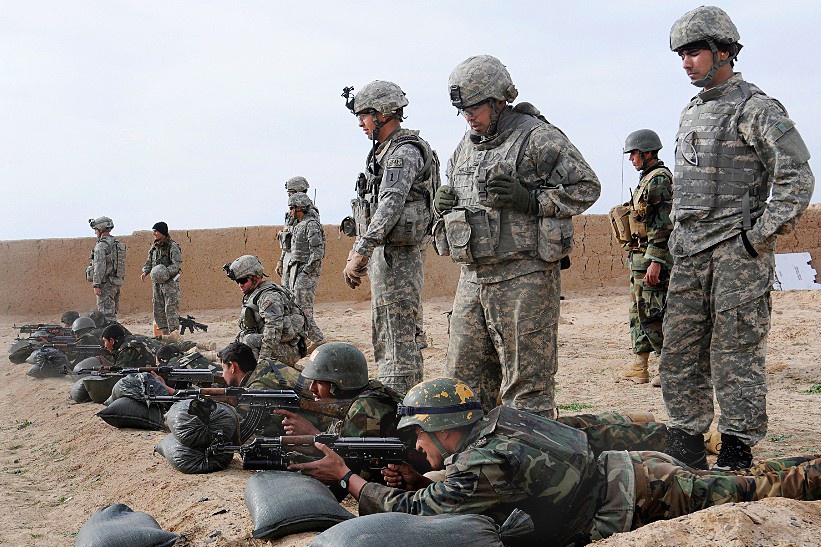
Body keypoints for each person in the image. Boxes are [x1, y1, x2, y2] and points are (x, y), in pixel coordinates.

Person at [291, 377, 821, 546]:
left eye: (418, 436)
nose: (418, 447)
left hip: (639, 497)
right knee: (749, 479)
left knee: (762, 490)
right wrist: (424, 475)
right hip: (636, 468)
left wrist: (347, 477)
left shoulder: (481, 462)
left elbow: (418, 511)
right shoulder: (501, 421)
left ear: (442, 428)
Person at [661, 6, 815, 471]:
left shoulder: (755, 108)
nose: (686, 62)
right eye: (681, 54)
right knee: (679, 353)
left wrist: (758, 236)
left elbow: (796, 176)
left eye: (694, 52)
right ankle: (687, 439)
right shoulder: (692, 111)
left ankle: (736, 446)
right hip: (690, 253)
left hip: (735, 252)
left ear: (724, 52)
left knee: (735, 354)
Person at [435, 55, 600, 416]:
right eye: (463, 111)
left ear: (498, 101)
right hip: (473, 277)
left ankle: (528, 447)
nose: (469, 117)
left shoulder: (537, 137)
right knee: (463, 383)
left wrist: (532, 201)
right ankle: (475, 449)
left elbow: (587, 187)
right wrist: (443, 203)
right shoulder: (465, 146)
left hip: (524, 276)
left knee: (526, 386)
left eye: (475, 108)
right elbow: (459, 193)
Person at [341, 81, 438, 395]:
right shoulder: (384, 152)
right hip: (387, 255)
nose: (360, 123)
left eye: (364, 115)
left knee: (398, 334)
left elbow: (391, 204)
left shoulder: (402, 153)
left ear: (382, 113)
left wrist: (361, 250)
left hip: (399, 258)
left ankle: (401, 400)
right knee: (387, 329)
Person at [613, 130, 673, 387]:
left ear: (647, 152)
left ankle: (666, 367)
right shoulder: (646, 179)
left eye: (634, 154)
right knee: (638, 312)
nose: (631, 159)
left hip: (651, 256)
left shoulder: (659, 180)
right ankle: (640, 366)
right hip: (639, 256)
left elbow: (662, 223)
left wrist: (656, 261)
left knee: (654, 312)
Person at [275, 342, 402, 439]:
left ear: (338, 386)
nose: (311, 388)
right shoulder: (359, 396)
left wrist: (312, 434)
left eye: (319, 382)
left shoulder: (365, 408)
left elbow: (350, 461)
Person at [224, 255, 307, 366]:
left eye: (243, 280)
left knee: (249, 341)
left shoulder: (269, 297)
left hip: (289, 350)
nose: (240, 285)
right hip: (276, 344)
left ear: (255, 277)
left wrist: (263, 362)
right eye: (237, 281)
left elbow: (273, 330)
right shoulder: (254, 293)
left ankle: (257, 372)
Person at [283, 192, 326, 351]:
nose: (290, 212)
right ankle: (305, 338)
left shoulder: (311, 225)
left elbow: (317, 252)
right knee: (296, 307)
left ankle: (318, 339)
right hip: (297, 270)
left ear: (300, 208)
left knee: (303, 308)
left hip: (306, 272)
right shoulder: (299, 224)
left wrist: (306, 272)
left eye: (292, 208)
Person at [140, 222, 183, 338]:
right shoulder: (154, 247)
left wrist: (165, 272)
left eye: (156, 231)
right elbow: (149, 262)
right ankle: (165, 334)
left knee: (170, 308)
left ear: (162, 232)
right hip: (157, 284)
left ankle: (174, 334)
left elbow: (176, 265)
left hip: (170, 283)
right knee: (158, 308)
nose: (154, 233)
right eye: (153, 231)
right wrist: (145, 271)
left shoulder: (172, 246)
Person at [86, 216, 125, 321]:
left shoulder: (101, 246)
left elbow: (99, 267)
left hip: (105, 284)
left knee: (106, 316)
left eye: (96, 230)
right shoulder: (116, 244)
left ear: (100, 229)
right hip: (115, 283)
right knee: (111, 313)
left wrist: (96, 284)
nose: (95, 233)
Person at [276, 176, 312, 287]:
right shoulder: (291, 213)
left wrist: (307, 269)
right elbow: (287, 238)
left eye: (291, 193)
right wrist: (281, 261)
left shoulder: (309, 214)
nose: (289, 196)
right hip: (288, 260)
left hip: (301, 263)